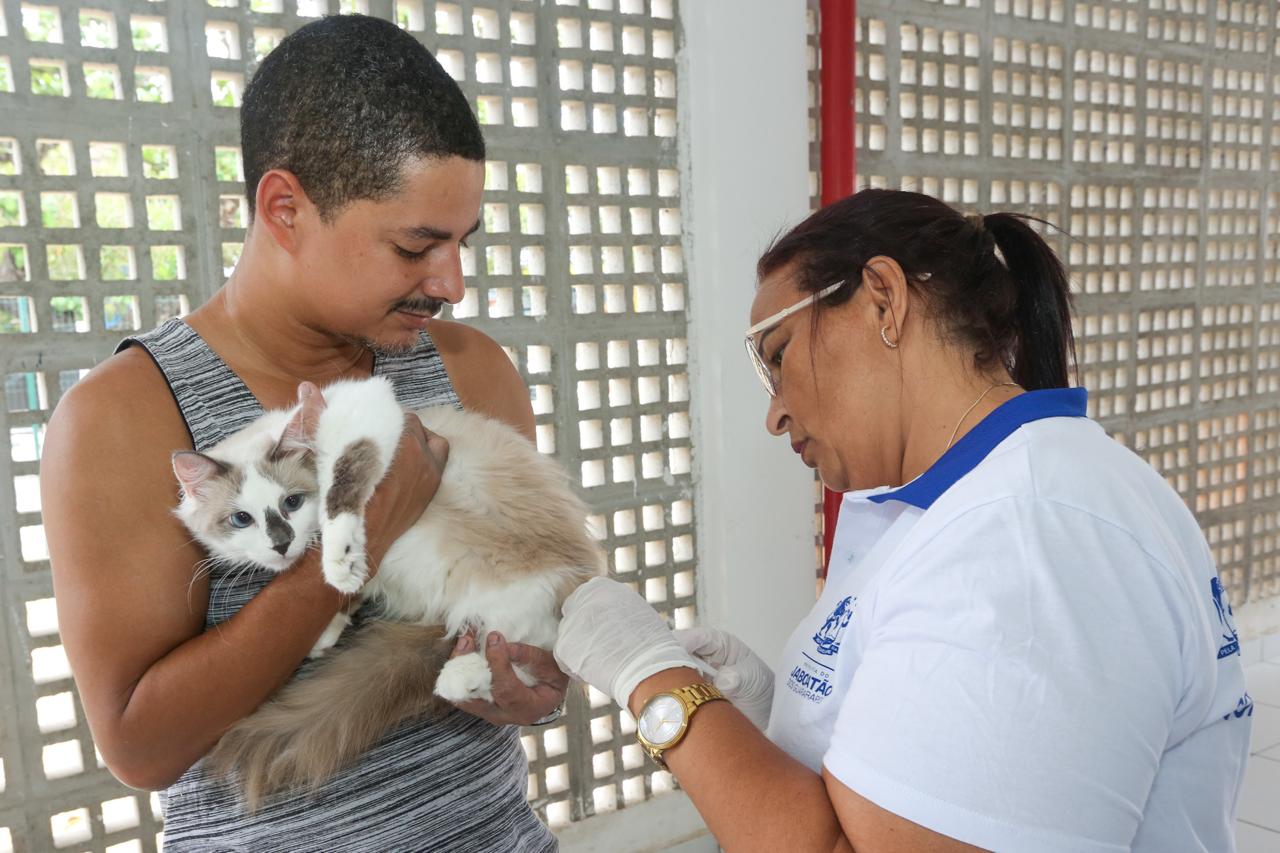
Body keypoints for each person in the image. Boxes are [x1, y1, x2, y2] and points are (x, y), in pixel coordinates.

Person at [555, 189, 1253, 852]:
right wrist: (793, 715)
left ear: (884, 299)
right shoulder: (975, 502)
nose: (774, 413)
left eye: (779, 357)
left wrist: (656, 684)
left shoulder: (1026, 538)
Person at [41, 15, 562, 851]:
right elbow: (138, 747)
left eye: (464, 242)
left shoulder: (471, 369)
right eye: (416, 245)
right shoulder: (127, 417)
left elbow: (536, 629)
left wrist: (535, 675)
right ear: (285, 208)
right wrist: (351, 548)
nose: (453, 283)